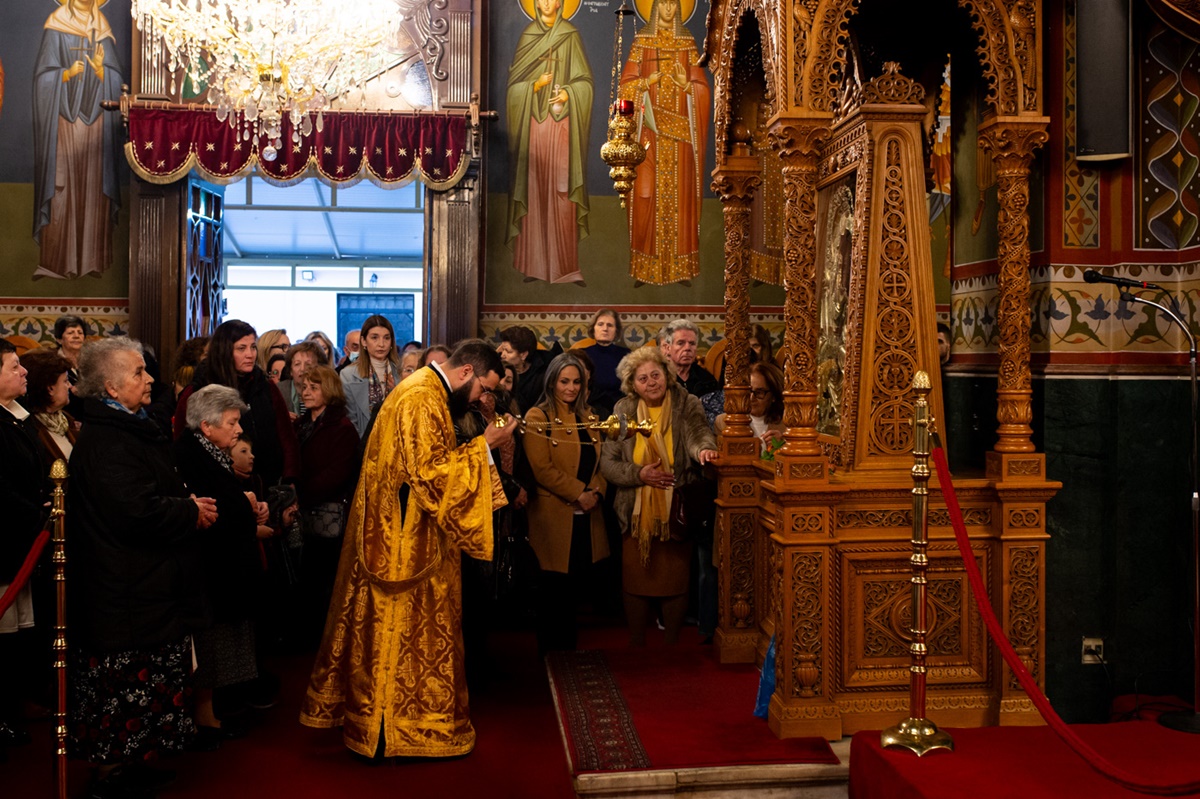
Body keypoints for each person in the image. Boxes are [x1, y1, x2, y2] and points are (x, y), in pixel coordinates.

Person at [301, 340, 515, 758]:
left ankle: (393, 726)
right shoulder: (421, 397)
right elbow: (430, 476)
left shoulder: (428, 391)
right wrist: (485, 445)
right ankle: (392, 729)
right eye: (483, 389)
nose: (482, 399)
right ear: (467, 373)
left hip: (406, 535)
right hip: (403, 546)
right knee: (396, 634)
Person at [68, 337, 217, 797]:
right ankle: (111, 774)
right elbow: (134, 511)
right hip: (124, 586)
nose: (149, 378)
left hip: (148, 582)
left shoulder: (131, 426)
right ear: (111, 387)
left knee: (149, 682)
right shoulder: (107, 439)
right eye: (137, 372)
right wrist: (188, 512)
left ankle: (133, 761)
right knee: (122, 687)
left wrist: (183, 501)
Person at [600, 347, 717, 646]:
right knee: (635, 580)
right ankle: (637, 642)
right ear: (632, 384)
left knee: (675, 580)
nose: (651, 382)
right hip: (633, 510)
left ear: (667, 375)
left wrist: (703, 450)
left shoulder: (686, 402)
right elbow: (609, 464)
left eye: (656, 375)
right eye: (643, 378)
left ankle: (672, 644)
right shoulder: (622, 411)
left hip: (676, 506)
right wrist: (639, 474)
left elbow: (698, 434)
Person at [174, 385, 267, 750]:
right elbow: (211, 509)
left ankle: (214, 711)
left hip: (224, 566)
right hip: (211, 568)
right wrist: (244, 507)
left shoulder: (209, 451)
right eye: (231, 422)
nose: (239, 429)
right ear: (206, 425)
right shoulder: (191, 454)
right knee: (211, 645)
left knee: (223, 643)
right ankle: (205, 717)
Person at [618, 0, 710, 285]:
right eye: (664, 4)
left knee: (681, 204)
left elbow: (702, 90)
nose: (669, 10)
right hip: (649, 135)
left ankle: (680, 270)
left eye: (674, 4)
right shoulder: (642, 41)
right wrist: (646, 82)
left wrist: (686, 86)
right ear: (656, 7)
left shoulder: (688, 44)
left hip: (681, 140)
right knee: (645, 199)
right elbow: (625, 86)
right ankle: (645, 268)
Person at [522, 353, 608, 653]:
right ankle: (550, 652)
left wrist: (595, 492)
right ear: (552, 382)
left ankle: (568, 648)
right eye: (564, 382)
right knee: (553, 587)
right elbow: (541, 469)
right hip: (554, 513)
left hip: (586, 512)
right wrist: (578, 493)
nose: (570, 388)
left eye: (576, 382)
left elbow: (601, 464)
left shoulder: (591, 416)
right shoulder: (537, 416)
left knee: (575, 584)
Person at [33, 0, 123, 280]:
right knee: (61, 188)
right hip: (62, 122)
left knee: (94, 189)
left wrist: (100, 71)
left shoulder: (103, 28)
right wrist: (66, 74)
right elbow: (41, 79)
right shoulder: (56, 23)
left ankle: (91, 261)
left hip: (96, 121)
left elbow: (117, 80)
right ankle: (57, 262)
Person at [505, 0, 593, 284]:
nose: (545, 2)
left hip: (562, 125)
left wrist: (568, 93)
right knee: (535, 190)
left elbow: (586, 83)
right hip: (533, 126)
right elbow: (513, 89)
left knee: (562, 193)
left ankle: (565, 268)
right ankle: (534, 265)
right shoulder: (528, 35)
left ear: (559, 3)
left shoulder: (570, 34)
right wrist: (536, 85)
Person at [0, 340, 51, 762]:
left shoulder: (19, 418)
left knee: (17, 634)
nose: (24, 372)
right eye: (14, 366)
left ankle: (13, 703)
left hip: (24, 540)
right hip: (5, 538)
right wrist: (38, 512)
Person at [175, 320, 300, 489]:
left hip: (269, 484)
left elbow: (286, 436)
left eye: (253, 347)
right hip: (218, 485)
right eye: (241, 348)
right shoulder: (199, 389)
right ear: (225, 351)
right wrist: (225, 462)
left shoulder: (266, 386)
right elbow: (184, 446)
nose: (250, 354)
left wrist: (290, 479)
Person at [292, 366, 360, 645]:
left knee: (324, 580)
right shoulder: (301, 424)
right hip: (303, 510)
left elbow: (337, 474)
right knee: (305, 576)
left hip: (327, 512)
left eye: (314, 387)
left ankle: (324, 637)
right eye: (304, 387)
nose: (306, 392)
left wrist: (301, 494)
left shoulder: (342, 428)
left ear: (329, 391)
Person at [341, 315, 402, 438]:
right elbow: (351, 421)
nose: (381, 344)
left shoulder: (401, 373)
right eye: (374, 338)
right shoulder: (348, 375)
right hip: (363, 446)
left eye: (386, 338)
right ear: (363, 341)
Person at [715, 361, 786, 452]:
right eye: (749, 391)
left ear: (774, 396)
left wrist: (782, 446)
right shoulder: (724, 422)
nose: (752, 398)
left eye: (759, 392)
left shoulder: (787, 426)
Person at [576, 309, 630, 417]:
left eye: (610, 325)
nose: (605, 329)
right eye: (600, 324)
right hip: (588, 411)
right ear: (593, 329)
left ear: (616, 331)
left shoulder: (627, 355)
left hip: (619, 411)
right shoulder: (582, 355)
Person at [498, 325, 555, 414]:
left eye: (508, 351)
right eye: (503, 350)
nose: (502, 355)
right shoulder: (497, 366)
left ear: (523, 355)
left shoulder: (540, 375)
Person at [664, 319, 719, 397]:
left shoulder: (707, 380)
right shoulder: (660, 378)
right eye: (681, 343)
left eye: (692, 343)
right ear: (668, 348)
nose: (687, 348)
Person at [277, 340, 328, 417]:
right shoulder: (279, 390)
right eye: (297, 364)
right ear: (291, 370)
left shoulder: (326, 391)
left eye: (308, 364)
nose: (302, 369)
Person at [53, 315, 87, 385]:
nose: (76, 336)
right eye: (70, 333)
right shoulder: (53, 363)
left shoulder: (90, 360)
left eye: (80, 333)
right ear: (59, 339)